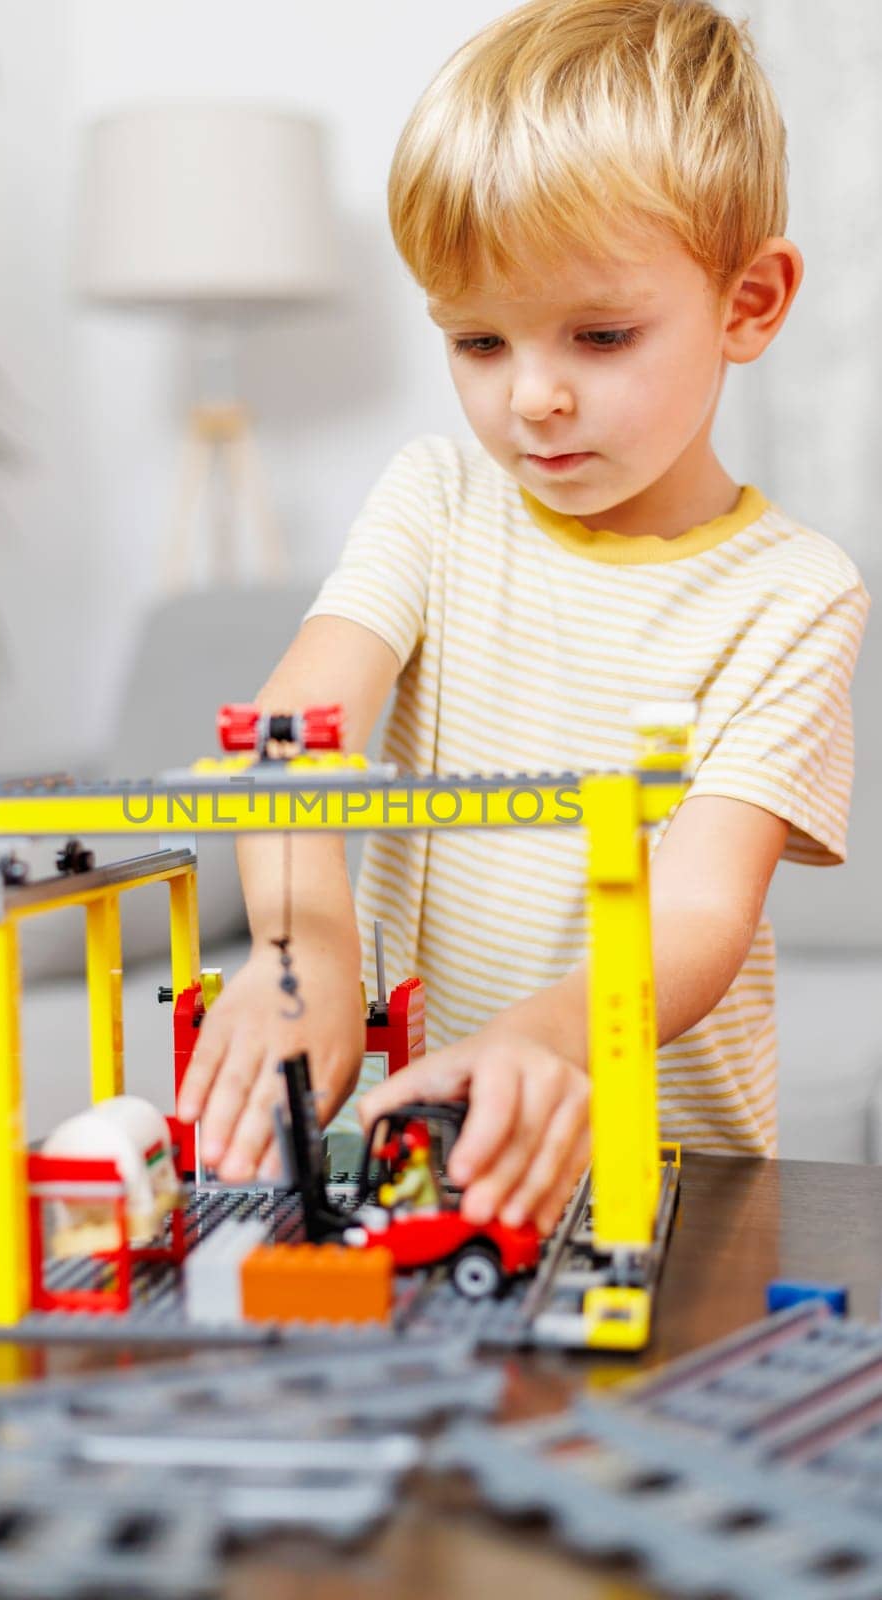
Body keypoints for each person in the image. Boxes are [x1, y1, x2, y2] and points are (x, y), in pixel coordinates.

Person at [177, 0, 870, 1237]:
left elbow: (699, 911)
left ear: (748, 304)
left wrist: (545, 1042)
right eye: (477, 340)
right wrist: (301, 950)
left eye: (599, 335)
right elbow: (292, 725)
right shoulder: (436, 502)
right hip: (422, 1168)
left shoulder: (793, 589)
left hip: (666, 1185)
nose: (532, 397)